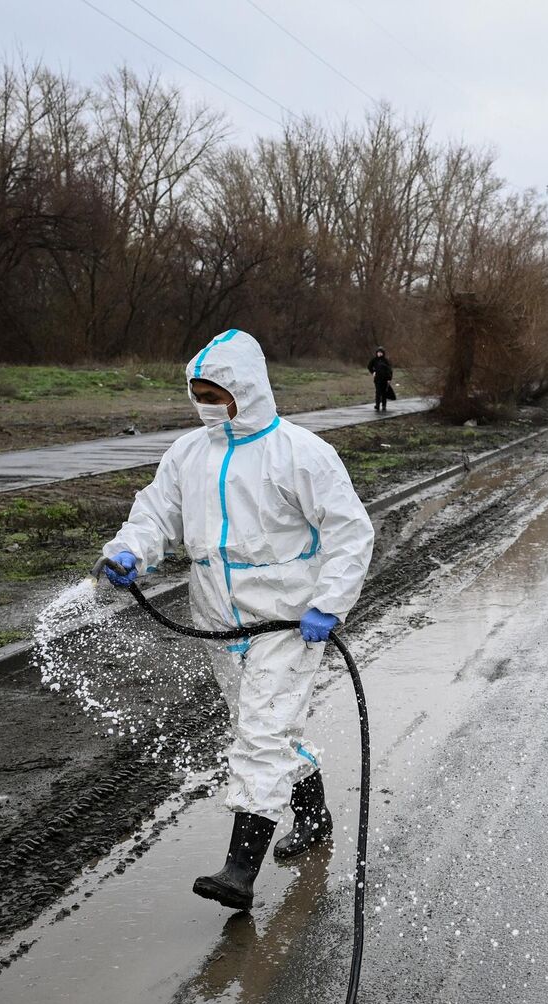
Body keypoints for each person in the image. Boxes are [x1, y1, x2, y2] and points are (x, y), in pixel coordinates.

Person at [98, 329, 375, 911]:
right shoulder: (188, 454)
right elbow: (155, 512)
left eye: (215, 391)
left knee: (262, 734)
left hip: (287, 619)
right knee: (264, 728)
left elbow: (350, 530)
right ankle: (314, 816)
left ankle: (239, 871)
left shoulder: (300, 453)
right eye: (197, 391)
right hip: (216, 619)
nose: (205, 402)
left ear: (244, 389)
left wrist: (329, 601)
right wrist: (131, 549)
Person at [368, 347, 395, 412]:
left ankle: (384, 405)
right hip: (377, 379)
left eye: (380, 353)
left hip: (385, 379)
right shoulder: (374, 360)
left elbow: (390, 370)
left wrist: (389, 379)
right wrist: (373, 372)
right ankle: (377, 405)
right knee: (378, 392)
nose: (379, 354)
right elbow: (369, 366)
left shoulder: (386, 360)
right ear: (376, 353)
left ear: (383, 353)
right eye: (378, 352)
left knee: (384, 393)